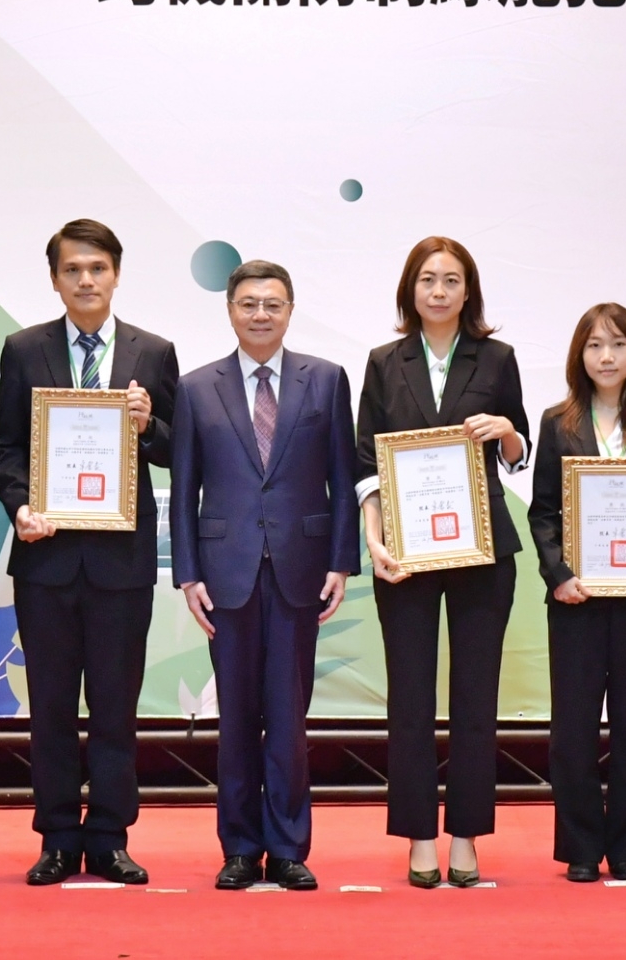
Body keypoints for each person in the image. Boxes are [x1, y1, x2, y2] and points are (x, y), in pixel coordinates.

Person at [0, 220, 178, 887]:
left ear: (116, 273)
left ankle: (109, 837)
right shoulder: (24, 348)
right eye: (72, 269)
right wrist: (20, 506)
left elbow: (177, 447)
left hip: (121, 562)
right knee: (49, 707)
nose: (86, 279)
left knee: (114, 708)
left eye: (97, 267)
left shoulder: (154, 351)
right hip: (46, 560)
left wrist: (147, 425)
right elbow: (7, 447)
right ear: (54, 279)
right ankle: (56, 837)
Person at [170, 260, 358, 891]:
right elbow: (184, 489)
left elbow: (342, 478)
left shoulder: (325, 380)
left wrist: (341, 560)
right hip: (225, 574)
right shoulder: (196, 387)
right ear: (230, 310)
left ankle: (287, 848)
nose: (260, 314)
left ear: (290, 311)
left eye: (272, 304)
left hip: (301, 570)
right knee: (235, 720)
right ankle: (239, 848)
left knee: (288, 717)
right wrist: (188, 573)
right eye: (248, 303)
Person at [355, 237, 528, 887]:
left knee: (475, 696)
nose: (438, 290)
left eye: (451, 280)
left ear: (468, 290)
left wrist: (506, 433)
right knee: (411, 696)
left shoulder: (497, 358)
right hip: (405, 550)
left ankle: (466, 836)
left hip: (482, 549)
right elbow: (366, 460)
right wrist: (375, 540)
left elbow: (517, 451)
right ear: (411, 288)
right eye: (427, 279)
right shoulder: (383, 361)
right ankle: (420, 836)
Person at [528, 304, 626, 883]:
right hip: (578, 598)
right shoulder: (558, 422)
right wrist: (559, 576)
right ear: (580, 356)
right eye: (595, 346)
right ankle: (579, 847)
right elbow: (543, 512)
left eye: (618, 344)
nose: (607, 356)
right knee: (572, 729)